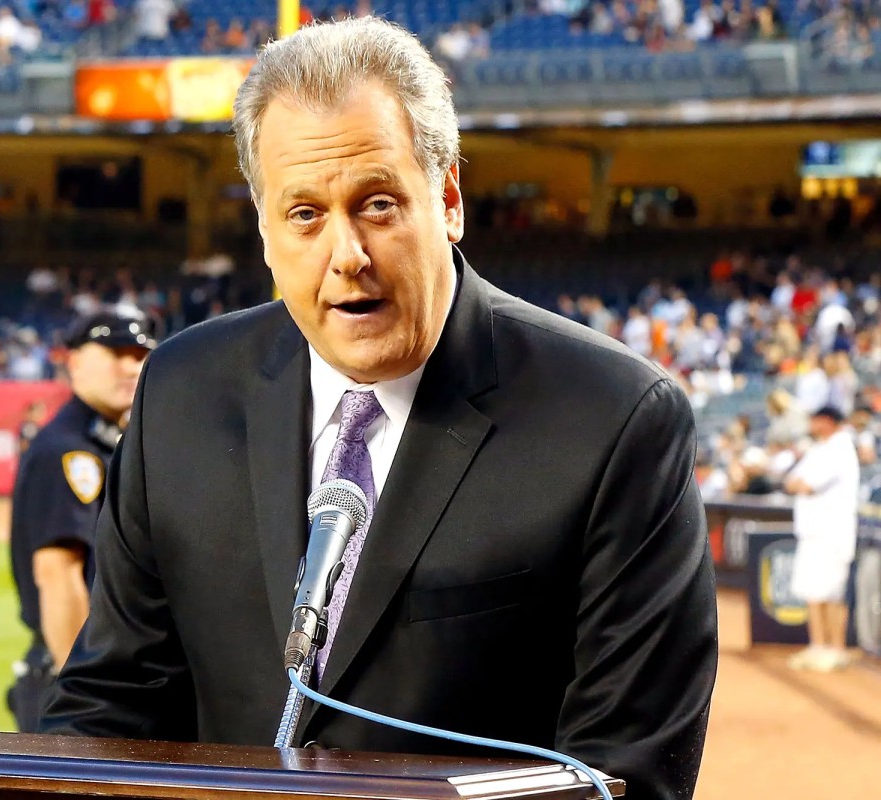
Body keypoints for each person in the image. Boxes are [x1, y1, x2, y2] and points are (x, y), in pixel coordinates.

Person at [42, 18, 717, 800]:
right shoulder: (181, 393)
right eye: (305, 215)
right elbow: (109, 706)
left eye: (378, 203)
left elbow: (622, 775)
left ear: (449, 198)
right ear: (264, 231)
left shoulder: (614, 418)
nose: (347, 254)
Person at [6, 308, 156, 733]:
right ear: (72, 361)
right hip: (82, 690)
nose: (131, 366)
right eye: (115, 353)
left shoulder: (108, 444)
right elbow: (58, 575)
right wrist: (85, 694)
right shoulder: (69, 451)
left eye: (140, 354)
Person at [784, 406, 861, 672]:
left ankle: (836, 649)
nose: (812, 424)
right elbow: (791, 481)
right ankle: (818, 646)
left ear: (827, 421)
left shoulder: (841, 448)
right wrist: (798, 483)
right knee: (813, 591)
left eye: (816, 420)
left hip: (832, 532)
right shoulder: (820, 448)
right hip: (812, 532)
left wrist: (800, 484)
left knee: (832, 592)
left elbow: (806, 485)